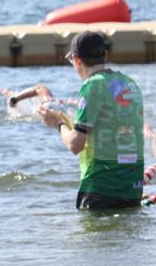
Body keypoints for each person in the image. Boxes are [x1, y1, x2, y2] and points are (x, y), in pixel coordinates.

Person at [39, 31, 145, 210]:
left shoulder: (92, 86)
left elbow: (75, 145)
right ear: (105, 55)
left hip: (100, 189)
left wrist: (58, 123)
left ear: (77, 59)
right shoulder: (129, 83)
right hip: (132, 189)